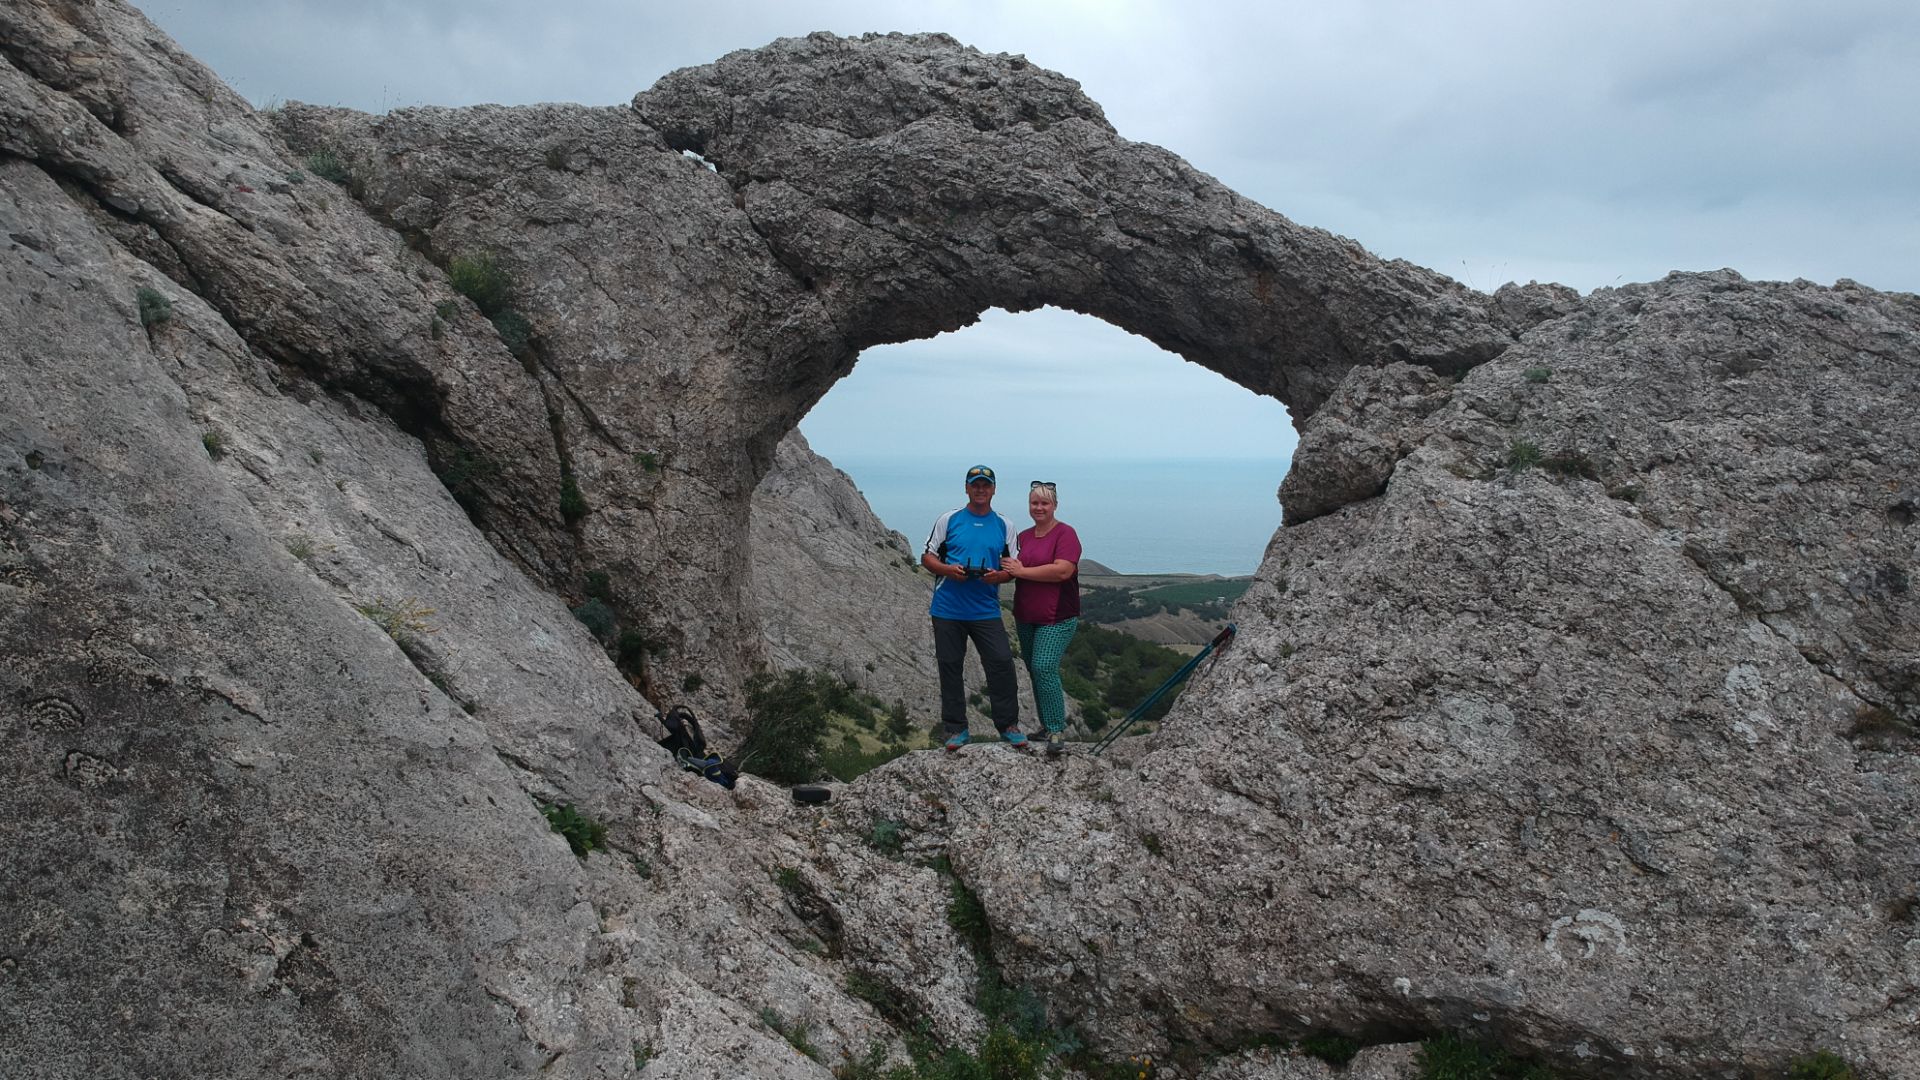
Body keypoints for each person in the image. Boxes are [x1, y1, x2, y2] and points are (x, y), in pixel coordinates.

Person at [920, 465, 1026, 751]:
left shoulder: (1005, 525)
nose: (980, 490)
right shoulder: (949, 519)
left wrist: (997, 576)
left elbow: (1013, 568)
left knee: (1002, 663)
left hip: (985, 609)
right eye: (975, 485)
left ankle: (1008, 725)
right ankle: (955, 729)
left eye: (985, 485)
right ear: (966, 488)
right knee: (950, 667)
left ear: (994, 489)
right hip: (947, 608)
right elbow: (927, 558)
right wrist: (948, 570)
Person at [1000, 481, 1081, 755]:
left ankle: (1057, 730)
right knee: (1036, 671)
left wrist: (1021, 572)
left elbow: (1062, 572)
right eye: (1034, 502)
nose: (1039, 507)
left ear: (1055, 505)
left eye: (1045, 503)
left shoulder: (1065, 534)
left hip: (1057, 616)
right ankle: (1047, 727)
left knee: (1044, 666)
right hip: (1026, 615)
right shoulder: (1022, 537)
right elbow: (1007, 564)